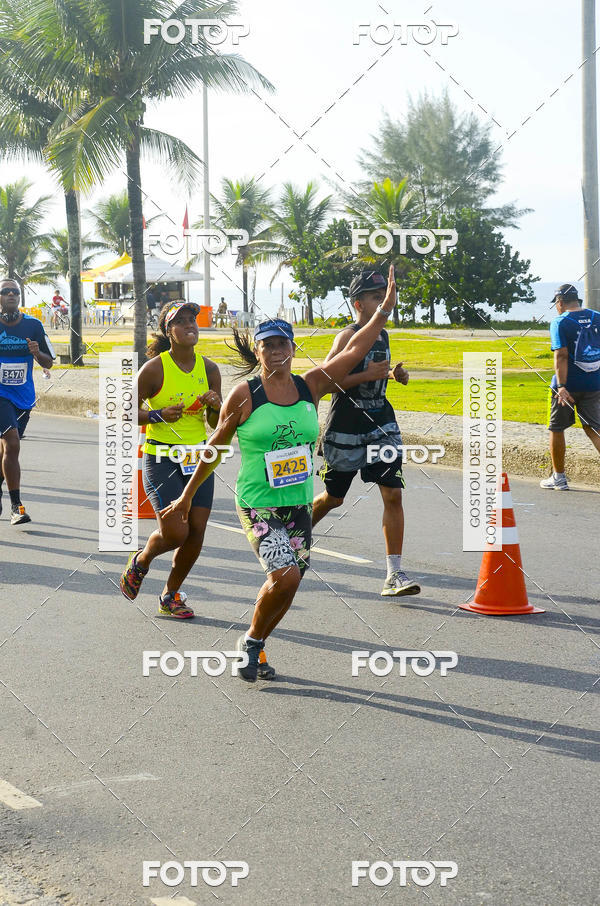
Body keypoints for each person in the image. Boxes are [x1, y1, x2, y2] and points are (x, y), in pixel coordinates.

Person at [159, 265, 399, 683]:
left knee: (289, 585)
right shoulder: (246, 394)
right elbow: (215, 445)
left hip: (298, 505)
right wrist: (185, 496)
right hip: (257, 503)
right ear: (258, 351)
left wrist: (381, 314)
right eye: (267, 346)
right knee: (283, 575)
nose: (276, 352)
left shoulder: (311, 385)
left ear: (292, 348)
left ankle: (253, 642)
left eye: (282, 344)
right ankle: (253, 643)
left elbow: (353, 351)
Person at [311, 269, 419, 598]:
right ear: (359, 304)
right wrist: (364, 376)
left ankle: (394, 573)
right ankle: (294, 538)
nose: (384, 302)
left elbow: (376, 373)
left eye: (385, 295)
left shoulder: (383, 335)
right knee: (334, 497)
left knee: (393, 493)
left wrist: (393, 375)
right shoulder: (346, 337)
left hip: (380, 421)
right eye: (376, 297)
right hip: (345, 424)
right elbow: (323, 382)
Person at [119, 301, 223, 617]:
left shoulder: (210, 369)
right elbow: (125, 412)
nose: (190, 324)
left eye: (193, 319)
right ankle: (142, 559)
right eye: (181, 321)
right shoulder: (154, 369)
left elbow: (217, 423)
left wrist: (216, 404)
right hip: (160, 457)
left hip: (198, 457)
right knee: (176, 532)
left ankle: (171, 595)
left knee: (197, 531)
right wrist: (156, 415)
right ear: (169, 331)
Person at [0, 278, 55, 524]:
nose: (11, 295)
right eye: (5, 291)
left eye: (15, 292)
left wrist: (36, 352)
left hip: (23, 397)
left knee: (5, 451)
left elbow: (48, 362)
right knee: (12, 444)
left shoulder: (33, 325)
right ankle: (16, 507)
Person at [540, 283, 600, 490]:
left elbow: (561, 354)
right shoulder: (597, 317)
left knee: (556, 428)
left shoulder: (560, 321)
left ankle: (559, 477)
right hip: (593, 383)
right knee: (594, 428)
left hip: (567, 386)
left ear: (560, 302)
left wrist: (562, 386)